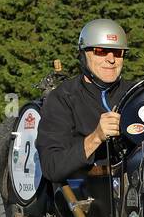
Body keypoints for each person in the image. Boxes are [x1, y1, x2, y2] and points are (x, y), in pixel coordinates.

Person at [36, 18, 130, 182]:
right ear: (83, 55)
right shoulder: (63, 98)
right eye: (101, 51)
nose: (111, 59)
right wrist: (96, 137)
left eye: (117, 52)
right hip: (86, 191)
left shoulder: (135, 93)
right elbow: (52, 167)